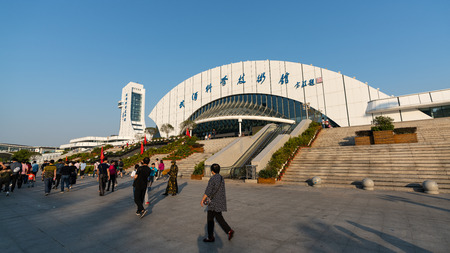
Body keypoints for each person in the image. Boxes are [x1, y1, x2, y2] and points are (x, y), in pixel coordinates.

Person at [200, 163, 234, 242]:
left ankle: (210, 237)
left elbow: (208, 191)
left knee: (210, 219)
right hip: (220, 201)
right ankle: (229, 230)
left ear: (212, 171)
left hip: (213, 203)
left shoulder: (213, 179)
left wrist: (202, 200)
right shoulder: (221, 178)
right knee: (219, 218)